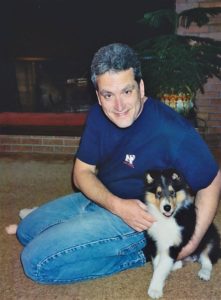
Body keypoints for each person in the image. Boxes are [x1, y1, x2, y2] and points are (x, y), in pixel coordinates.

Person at [17, 43, 221, 284]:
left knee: (36, 263)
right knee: (25, 231)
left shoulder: (173, 131)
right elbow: (81, 173)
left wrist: (190, 244)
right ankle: (81, 227)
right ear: (98, 96)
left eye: (127, 91)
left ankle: (142, 254)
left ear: (141, 88)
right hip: (103, 197)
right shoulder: (97, 116)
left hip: (140, 218)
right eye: (108, 95)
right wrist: (115, 204)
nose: (119, 106)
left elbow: (211, 182)